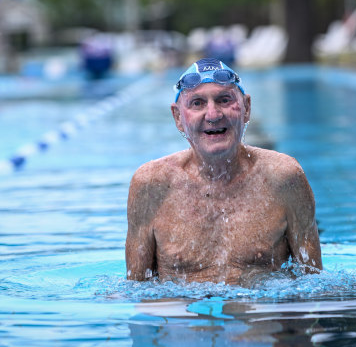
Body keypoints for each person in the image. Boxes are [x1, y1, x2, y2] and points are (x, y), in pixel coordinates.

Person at [125, 58, 322, 286]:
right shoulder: (151, 184)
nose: (213, 114)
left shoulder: (283, 177)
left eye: (224, 100)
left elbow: (313, 283)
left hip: (259, 314)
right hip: (184, 315)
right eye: (197, 103)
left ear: (246, 108)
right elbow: (135, 290)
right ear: (178, 117)